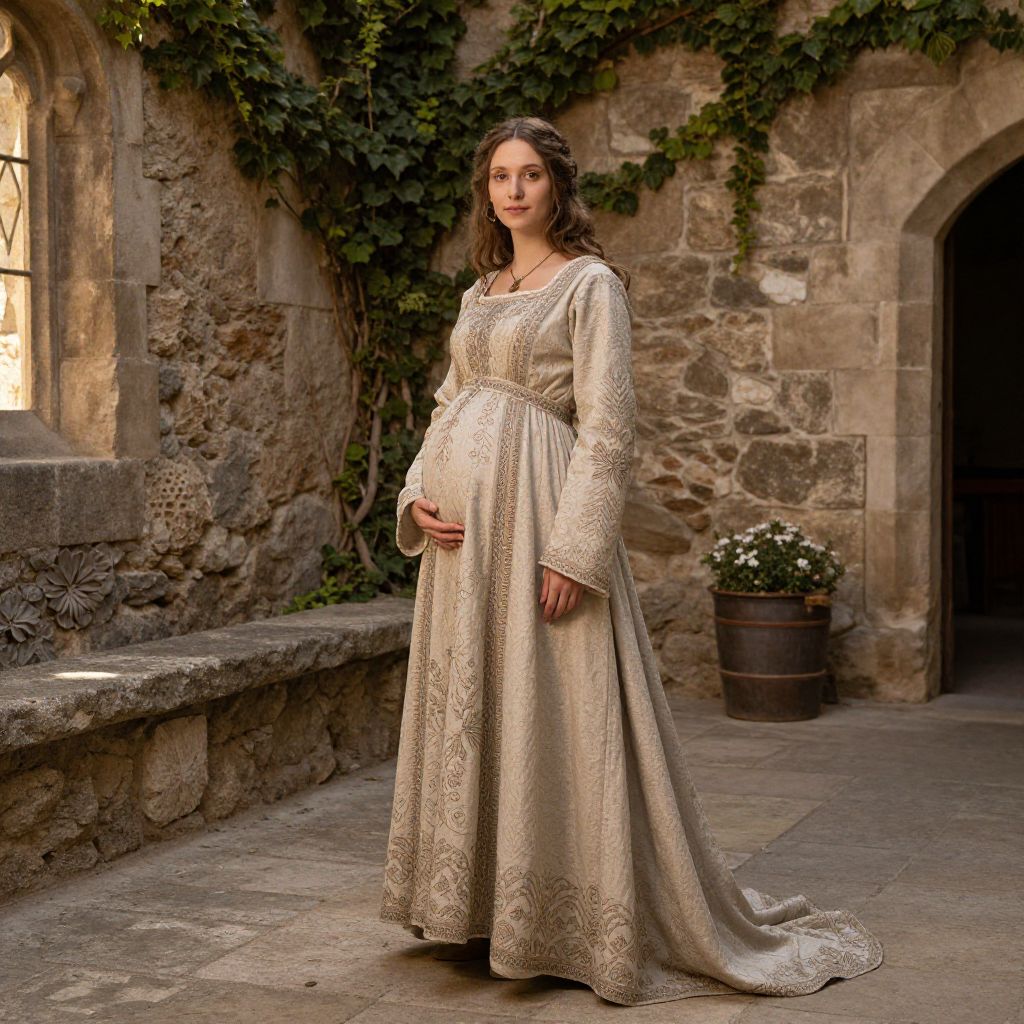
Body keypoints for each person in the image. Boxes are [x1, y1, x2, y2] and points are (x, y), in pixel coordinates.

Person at [379, 115, 883, 1006]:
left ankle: (566, 918)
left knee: (550, 708)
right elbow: (449, 402)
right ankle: (484, 904)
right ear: (485, 191)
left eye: (530, 174)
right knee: (473, 707)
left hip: (539, 519)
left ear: (558, 186)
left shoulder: (590, 286)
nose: (514, 189)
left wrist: (575, 549)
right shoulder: (480, 290)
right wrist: (417, 495)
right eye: (500, 175)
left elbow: (609, 429)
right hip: (460, 547)